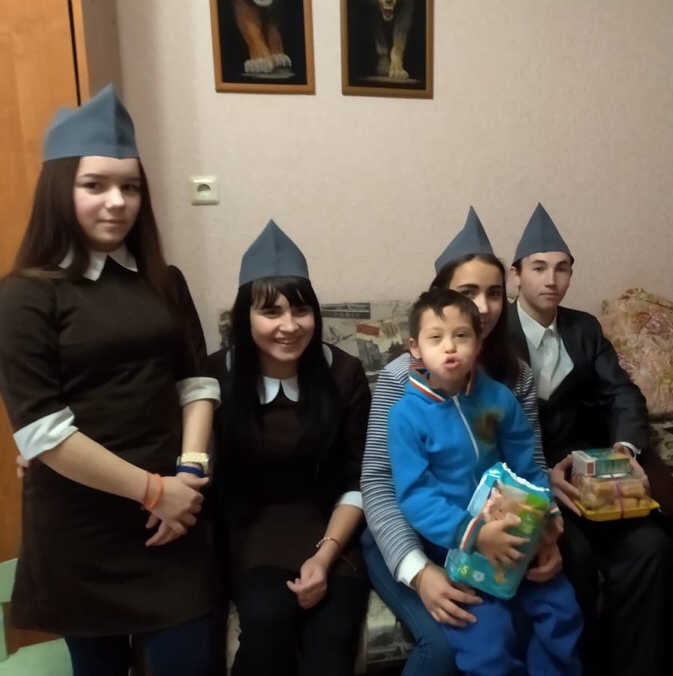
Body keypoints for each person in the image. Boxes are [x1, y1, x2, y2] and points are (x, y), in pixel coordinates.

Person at [0, 85, 220, 676]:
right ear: (59, 190)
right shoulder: (24, 295)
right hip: (82, 529)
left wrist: (189, 473)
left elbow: (197, 385)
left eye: (130, 186)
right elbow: (43, 432)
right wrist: (153, 491)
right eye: (94, 185)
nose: (117, 202)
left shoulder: (164, 280)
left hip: (174, 519)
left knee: (192, 661)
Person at [361, 207, 562, 676]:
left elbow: (528, 462)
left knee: (550, 606)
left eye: (494, 293)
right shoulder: (401, 381)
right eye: (467, 292)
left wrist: (543, 530)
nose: (485, 307)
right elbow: (379, 483)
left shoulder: (514, 377)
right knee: (451, 644)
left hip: (488, 532)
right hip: (414, 532)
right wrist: (418, 571)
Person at [507, 203, 673, 675]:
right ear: (515, 275)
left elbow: (622, 392)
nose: (551, 280)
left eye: (561, 268)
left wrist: (623, 450)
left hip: (590, 472)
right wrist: (538, 474)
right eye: (538, 268)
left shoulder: (583, 327)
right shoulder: (494, 333)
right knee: (575, 557)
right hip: (531, 477)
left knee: (650, 547)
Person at [388, 288, 582, 675]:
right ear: (415, 348)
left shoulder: (499, 398)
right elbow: (415, 495)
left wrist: (547, 515)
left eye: (462, 335)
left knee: (561, 611)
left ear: (478, 343)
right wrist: (474, 533)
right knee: (488, 639)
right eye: (436, 337)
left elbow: (527, 465)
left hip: (514, 528)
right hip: (453, 543)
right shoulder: (405, 415)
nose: (450, 347)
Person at [209, 221, 371, 675]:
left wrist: (324, 556)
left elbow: (358, 478)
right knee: (267, 622)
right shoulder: (216, 376)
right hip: (252, 533)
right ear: (245, 317)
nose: (289, 326)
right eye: (270, 312)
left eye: (301, 310)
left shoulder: (344, 373)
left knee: (332, 641)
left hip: (332, 530)